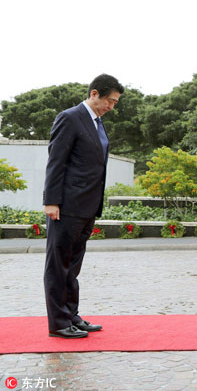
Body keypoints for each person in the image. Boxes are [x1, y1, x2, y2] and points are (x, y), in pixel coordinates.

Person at [43, 74, 124, 339]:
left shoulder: (97, 123)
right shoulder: (70, 117)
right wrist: (51, 201)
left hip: (87, 206)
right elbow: (57, 160)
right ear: (94, 94)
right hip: (66, 206)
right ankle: (58, 323)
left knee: (73, 264)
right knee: (59, 265)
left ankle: (71, 316)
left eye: (115, 103)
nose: (111, 107)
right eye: (109, 101)